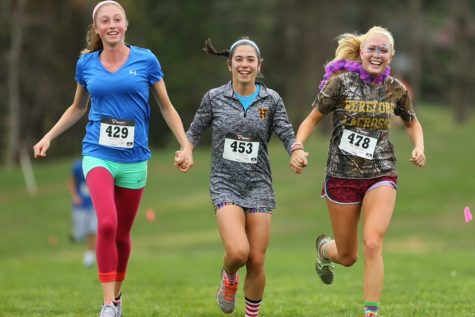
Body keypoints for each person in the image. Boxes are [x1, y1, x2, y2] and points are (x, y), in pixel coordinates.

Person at [33, 1, 193, 316]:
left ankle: (117, 299)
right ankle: (107, 305)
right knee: (106, 223)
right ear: (97, 28)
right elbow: (78, 107)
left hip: (135, 159)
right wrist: (49, 136)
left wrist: (185, 145)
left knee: (122, 234)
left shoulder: (146, 60)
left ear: (125, 24)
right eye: (104, 21)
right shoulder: (87, 64)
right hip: (97, 154)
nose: (111, 25)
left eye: (117, 19)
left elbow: (166, 106)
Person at [290, 26, 426, 317]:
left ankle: (371, 313)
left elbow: (412, 122)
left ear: (392, 55)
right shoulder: (340, 84)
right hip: (341, 176)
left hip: (381, 173)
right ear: (362, 51)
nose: (377, 55)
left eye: (383, 50)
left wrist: (419, 147)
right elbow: (312, 119)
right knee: (348, 256)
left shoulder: (395, 89)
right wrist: (298, 147)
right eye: (372, 49)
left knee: (373, 243)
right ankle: (326, 249)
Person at [176, 37, 300, 317]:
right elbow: (193, 132)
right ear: (229, 64)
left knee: (256, 259)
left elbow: (286, 133)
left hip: (259, 184)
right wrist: (186, 151)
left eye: (250, 60)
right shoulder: (214, 98)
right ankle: (229, 277)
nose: (244, 65)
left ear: (259, 65)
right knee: (238, 253)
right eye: (239, 59)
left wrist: (296, 150)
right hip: (226, 183)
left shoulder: (272, 100)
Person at [68, 158, 97, 268]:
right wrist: (75, 196)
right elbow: (71, 183)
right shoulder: (77, 166)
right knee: (81, 233)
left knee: (93, 230)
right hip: (80, 205)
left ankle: (89, 257)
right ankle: (77, 234)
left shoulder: (99, 164)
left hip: (94, 204)